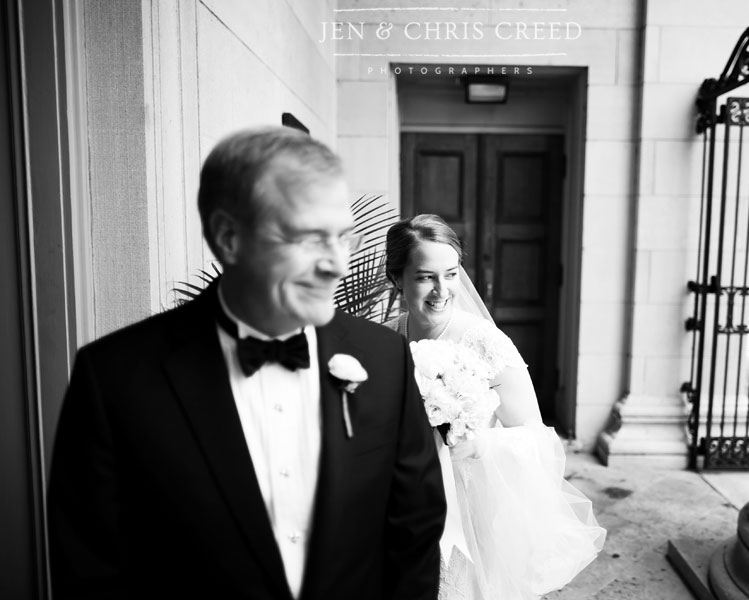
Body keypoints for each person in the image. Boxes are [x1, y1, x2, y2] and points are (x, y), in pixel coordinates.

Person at [47, 127, 446, 600]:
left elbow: (415, 533)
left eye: (343, 238)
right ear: (228, 237)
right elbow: (91, 573)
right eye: (308, 239)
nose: (337, 264)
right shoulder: (115, 380)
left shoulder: (383, 357)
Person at [383, 214, 606, 600]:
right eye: (425, 277)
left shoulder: (486, 343)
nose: (441, 289)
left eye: (451, 274)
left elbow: (540, 443)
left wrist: (479, 446)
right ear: (397, 279)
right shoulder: (388, 338)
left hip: (469, 513)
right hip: (401, 505)